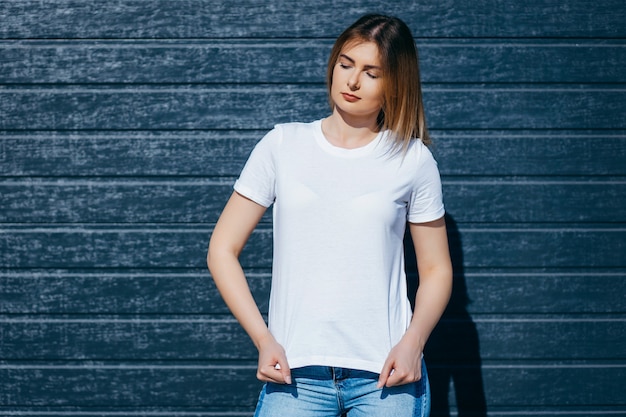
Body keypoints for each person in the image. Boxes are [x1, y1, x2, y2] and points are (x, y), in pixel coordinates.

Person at [207, 13, 452, 417]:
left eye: (372, 72)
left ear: (396, 83)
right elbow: (221, 249)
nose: (352, 81)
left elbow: (437, 269)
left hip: (384, 378)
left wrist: (413, 344)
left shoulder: (413, 160)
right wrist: (264, 340)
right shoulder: (282, 145)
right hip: (295, 375)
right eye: (346, 64)